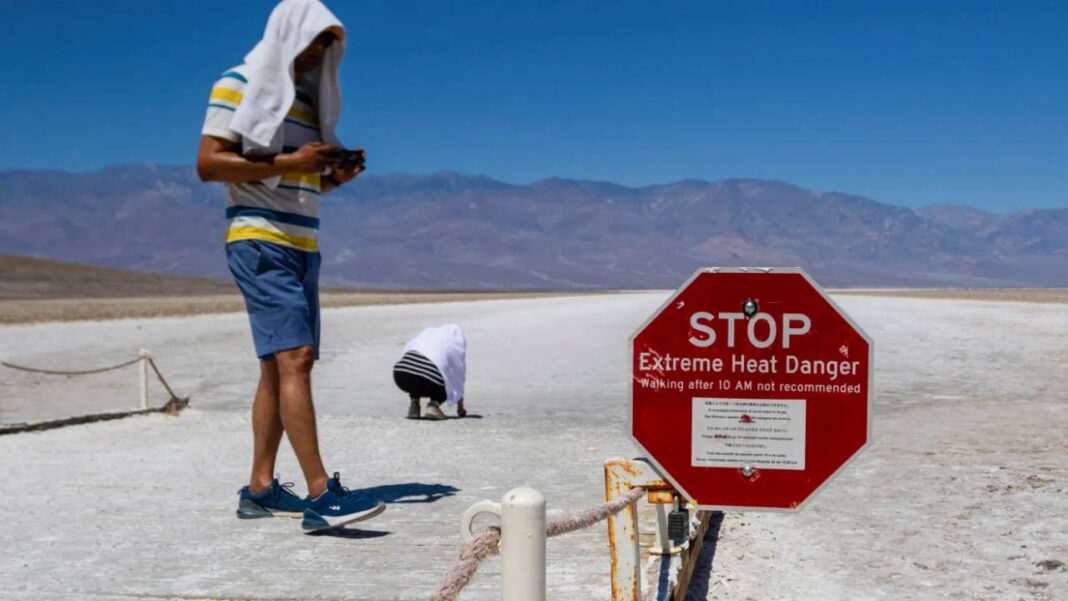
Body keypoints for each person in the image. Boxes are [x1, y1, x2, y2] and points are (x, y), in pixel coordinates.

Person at [195, 0, 382, 532]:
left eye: (327, 48)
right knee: (296, 359)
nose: (317, 57)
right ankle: (322, 496)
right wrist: (291, 162)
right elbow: (208, 163)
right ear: (288, 35)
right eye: (312, 44)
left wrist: (333, 176)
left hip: (303, 240)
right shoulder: (239, 84)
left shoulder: (308, 103)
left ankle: (259, 489)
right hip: (258, 238)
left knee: (279, 368)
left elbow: (300, 180)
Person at [394, 325, 468, 420]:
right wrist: (460, 408)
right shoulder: (453, 347)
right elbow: (458, 380)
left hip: (401, 374)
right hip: (427, 377)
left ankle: (414, 405)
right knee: (446, 382)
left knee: (418, 371)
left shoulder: (426, 334)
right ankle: (433, 405)